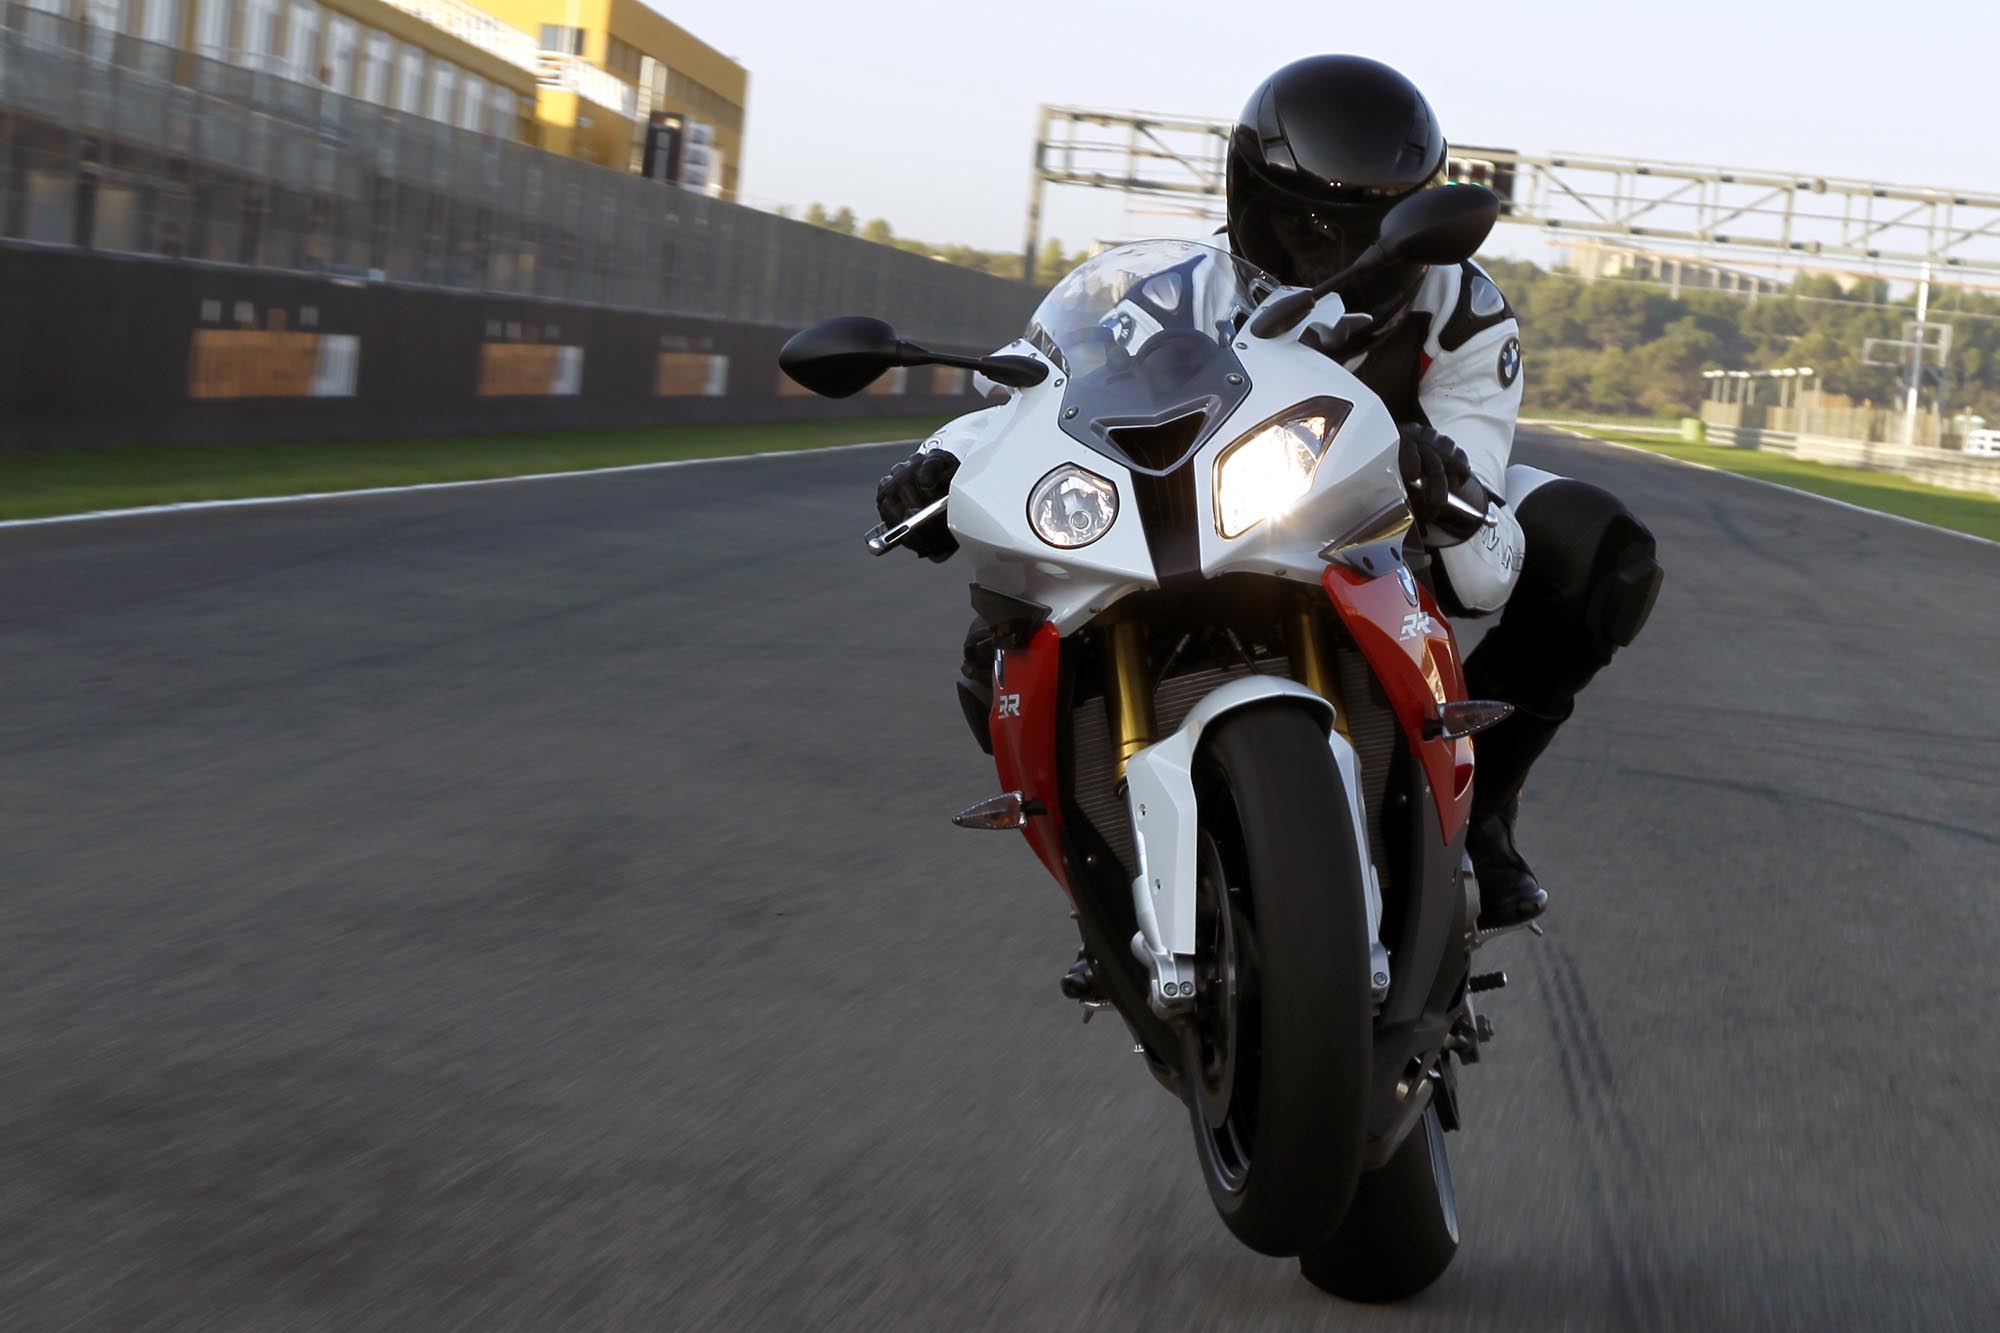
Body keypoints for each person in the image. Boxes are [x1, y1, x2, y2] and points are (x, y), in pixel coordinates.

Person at [873, 55, 1663, 930]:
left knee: (1601, 551)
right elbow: (1039, 399)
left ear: (1418, 228)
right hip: (1215, 509)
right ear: (1245, 198)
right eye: (1299, 226)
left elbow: (1482, 577)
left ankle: (1480, 812)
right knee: (999, 637)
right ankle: (1100, 860)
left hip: (1389, 533)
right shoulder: (1179, 287)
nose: (1328, 257)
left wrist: (1443, 487)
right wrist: (940, 460)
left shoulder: (1466, 312)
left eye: (1364, 235)